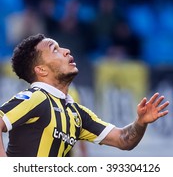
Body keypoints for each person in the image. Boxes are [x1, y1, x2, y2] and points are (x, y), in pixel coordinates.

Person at [0, 33, 169, 157]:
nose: (66, 51)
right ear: (41, 70)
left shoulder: (77, 114)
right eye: (55, 50)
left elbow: (124, 140)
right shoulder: (37, 97)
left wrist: (140, 123)